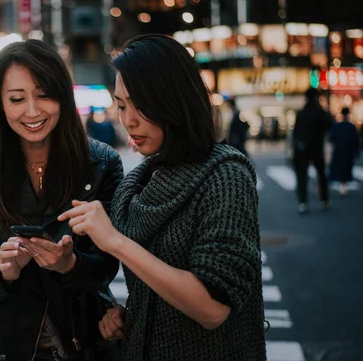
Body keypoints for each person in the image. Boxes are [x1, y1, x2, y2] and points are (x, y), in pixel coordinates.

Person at [58, 34, 266, 361]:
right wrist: (131, 315)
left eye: (141, 105)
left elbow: (213, 309)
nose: (129, 120)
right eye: (122, 105)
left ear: (174, 100)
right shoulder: (139, 182)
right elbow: (158, 285)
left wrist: (114, 241)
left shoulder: (225, 175)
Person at [0, 40, 124, 361]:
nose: (32, 111)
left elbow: (107, 266)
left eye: (44, 95)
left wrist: (69, 264)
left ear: (63, 95)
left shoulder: (102, 164)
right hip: (14, 348)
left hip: (89, 344)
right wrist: (5, 270)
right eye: (17, 99)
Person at [292, 87, 333, 214]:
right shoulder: (320, 111)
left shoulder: (302, 112)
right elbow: (329, 125)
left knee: (302, 176)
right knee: (321, 174)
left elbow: (296, 132)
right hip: (317, 147)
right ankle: (324, 200)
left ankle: (303, 202)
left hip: (302, 148)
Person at [329, 107, 360, 196]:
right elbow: (356, 140)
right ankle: (343, 186)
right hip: (348, 151)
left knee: (340, 169)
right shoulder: (351, 127)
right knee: (346, 169)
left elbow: (331, 138)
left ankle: (342, 186)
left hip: (339, 150)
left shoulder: (337, 126)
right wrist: (356, 152)